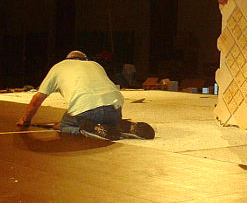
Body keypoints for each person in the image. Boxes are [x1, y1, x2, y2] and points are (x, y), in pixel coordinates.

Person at [17, 50, 154, 141]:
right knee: (103, 117)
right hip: (114, 110)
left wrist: (25, 120)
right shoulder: (96, 65)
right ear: (85, 59)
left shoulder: (58, 67)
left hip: (86, 110)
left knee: (63, 125)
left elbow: (37, 99)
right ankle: (114, 125)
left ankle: (89, 129)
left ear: (67, 59)